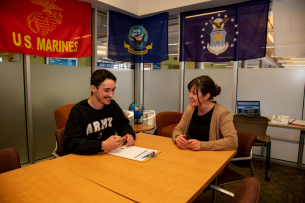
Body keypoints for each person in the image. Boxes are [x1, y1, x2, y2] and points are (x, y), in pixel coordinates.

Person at [64, 69, 136, 155]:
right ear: (93, 88)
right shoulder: (78, 111)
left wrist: (128, 135)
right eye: (106, 90)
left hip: (107, 156)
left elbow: (124, 125)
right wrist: (102, 145)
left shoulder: (112, 106)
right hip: (85, 159)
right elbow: (71, 143)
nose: (111, 95)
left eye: (113, 90)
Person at [172, 75, 237, 151]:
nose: (189, 96)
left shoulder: (222, 113)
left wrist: (202, 145)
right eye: (189, 91)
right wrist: (177, 138)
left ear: (206, 96)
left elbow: (233, 141)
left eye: (194, 93)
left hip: (212, 158)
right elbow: (178, 129)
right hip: (191, 156)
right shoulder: (189, 109)